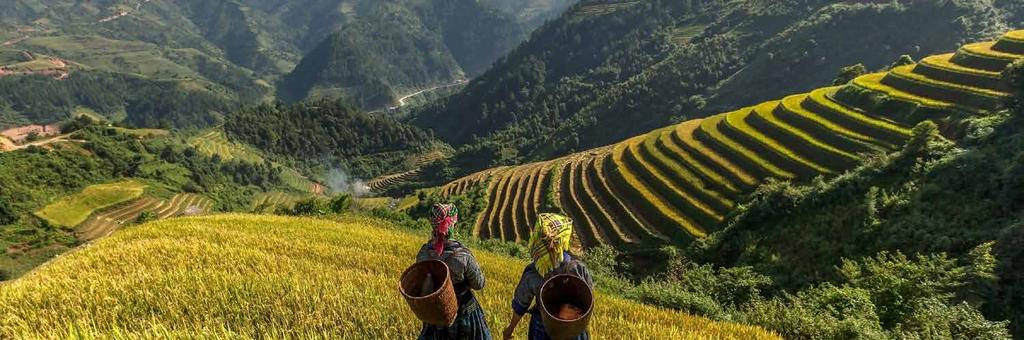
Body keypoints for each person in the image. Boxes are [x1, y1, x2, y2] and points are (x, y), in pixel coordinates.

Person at [502, 213, 594, 340]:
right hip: (573, 328)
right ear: (563, 241)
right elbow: (589, 300)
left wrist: (510, 328)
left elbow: (520, 305)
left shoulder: (533, 273)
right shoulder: (578, 268)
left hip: (543, 327)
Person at [416, 203, 492, 340]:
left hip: (436, 313)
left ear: (432, 224)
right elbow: (479, 284)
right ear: (454, 225)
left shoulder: (423, 254)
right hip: (464, 313)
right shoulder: (462, 256)